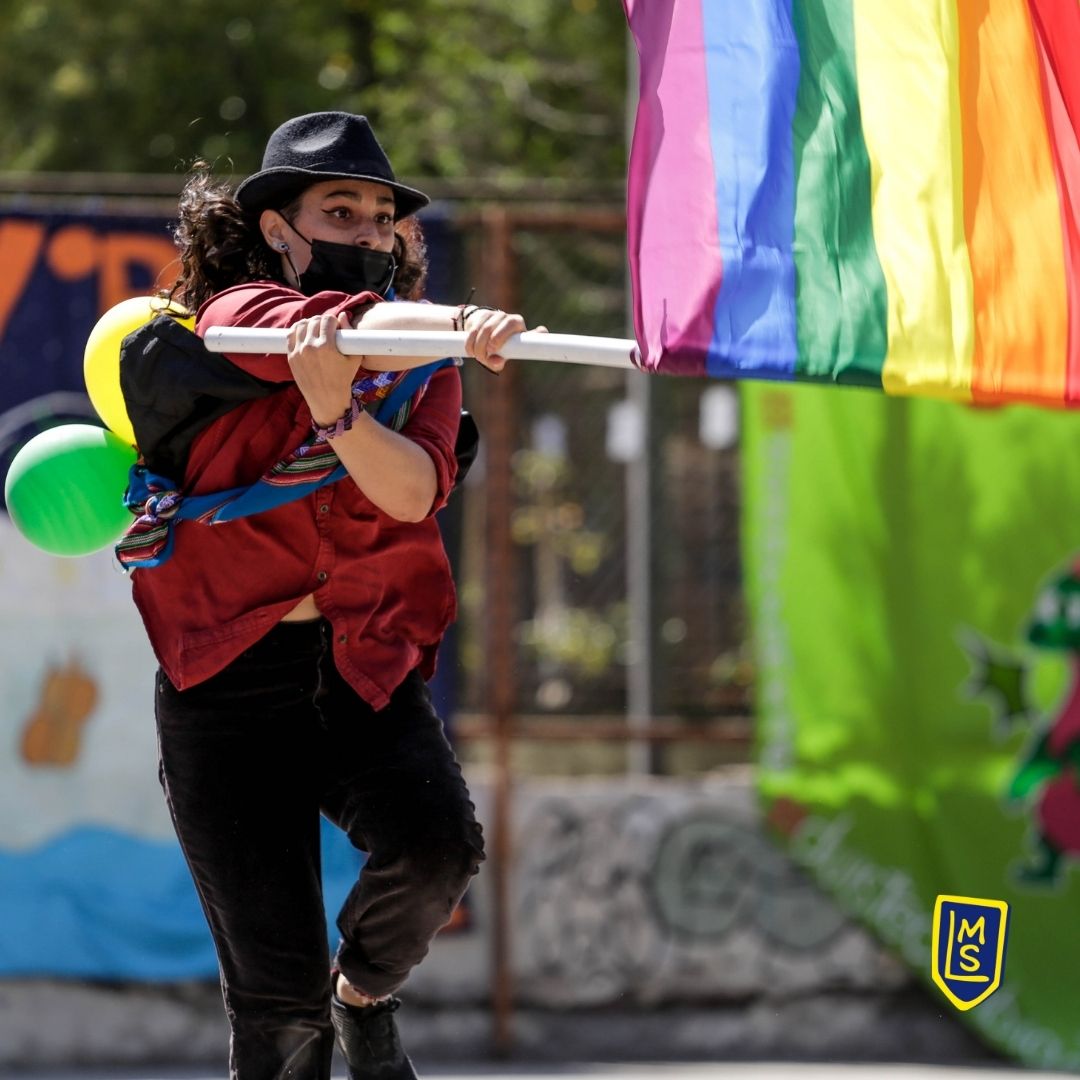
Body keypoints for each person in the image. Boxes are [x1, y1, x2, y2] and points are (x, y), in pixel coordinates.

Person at [124, 111, 536, 1080]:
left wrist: (342, 412)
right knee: (280, 1013)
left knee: (437, 851)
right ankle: (319, 1014)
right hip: (227, 685)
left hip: (361, 667)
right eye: (339, 211)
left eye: (381, 217)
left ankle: (366, 997)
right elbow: (343, 334)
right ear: (279, 229)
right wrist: (450, 330)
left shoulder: (425, 365)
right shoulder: (235, 319)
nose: (368, 233)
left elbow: (410, 492)